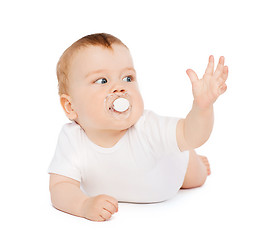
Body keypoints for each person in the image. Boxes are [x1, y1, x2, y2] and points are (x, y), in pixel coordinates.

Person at [48, 33, 228, 222]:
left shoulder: (148, 127)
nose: (119, 88)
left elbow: (191, 134)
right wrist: (83, 205)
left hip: (174, 170)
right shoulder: (72, 139)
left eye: (127, 78)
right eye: (102, 80)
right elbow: (60, 186)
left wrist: (202, 108)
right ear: (70, 106)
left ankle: (193, 158)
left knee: (196, 177)